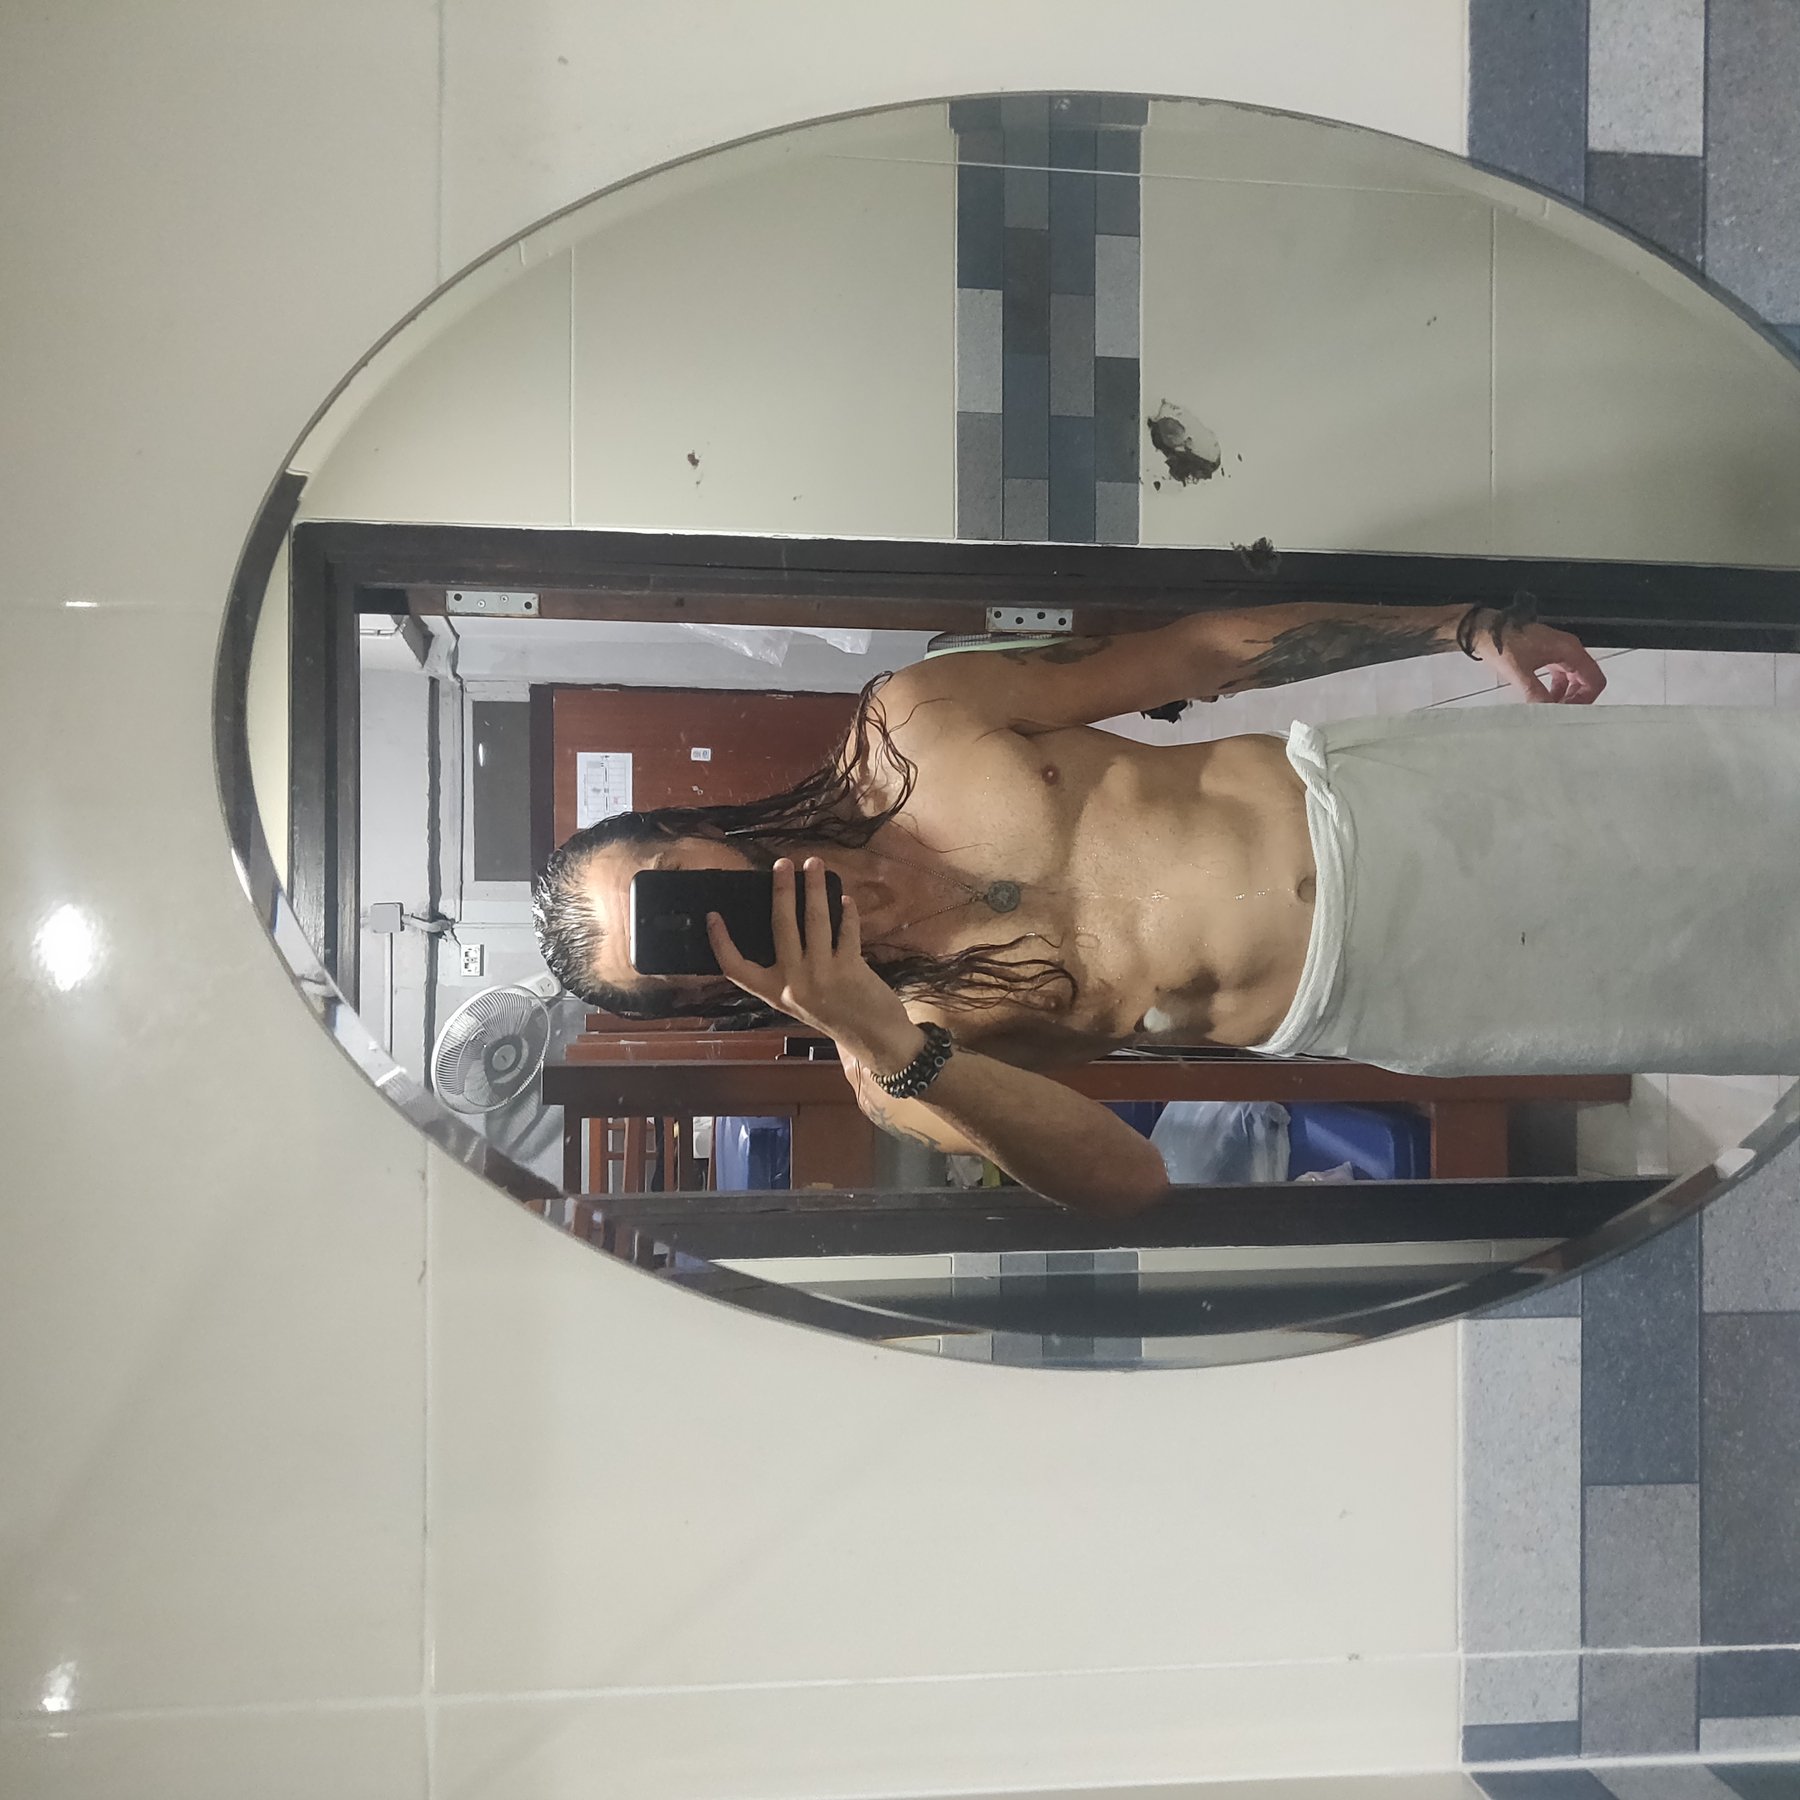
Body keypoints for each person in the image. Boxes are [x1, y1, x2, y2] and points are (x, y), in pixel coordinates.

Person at [534, 599, 1800, 1214]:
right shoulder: (900, 1068)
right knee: (1750, 988)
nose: (710, 922)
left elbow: (1196, 655)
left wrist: (1463, 626)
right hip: (1408, 987)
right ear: (708, 996)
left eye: (675, 890)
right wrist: (882, 1034)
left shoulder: (910, 725)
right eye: (683, 956)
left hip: (1416, 804)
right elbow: (1128, 1183)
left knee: (1745, 796)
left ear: (695, 830)